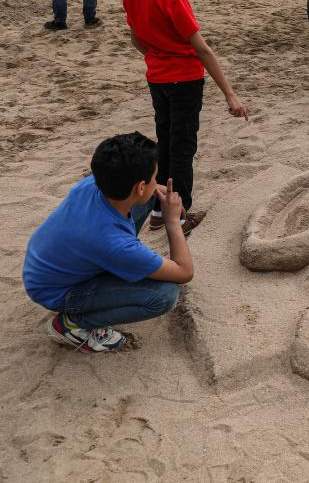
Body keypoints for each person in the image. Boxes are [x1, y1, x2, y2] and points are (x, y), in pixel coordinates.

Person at [123, 0, 249, 233]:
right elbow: (202, 49)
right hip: (185, 81)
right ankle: (178, 214)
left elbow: (136, 37)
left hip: (157, 79)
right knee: (182, 148)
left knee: (165, 142)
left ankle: (157, 209)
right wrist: (230, 94)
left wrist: (156, 56)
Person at [23, 132, 194, 353]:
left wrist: (154, 189)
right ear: (140, 187)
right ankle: (72, 325)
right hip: (55, 291)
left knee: (148, 199)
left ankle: (105, 278)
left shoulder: (94, 183)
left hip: (46, 266)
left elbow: (140, 195)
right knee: (164, 295)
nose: (156, 182)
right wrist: (171, 221)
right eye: (154, 178)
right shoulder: (114, 243)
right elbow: (184, 272)